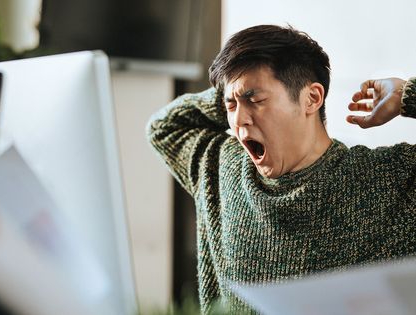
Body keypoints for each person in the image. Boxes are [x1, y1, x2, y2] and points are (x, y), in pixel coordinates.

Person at [146, 24, 416, 314]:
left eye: (256, 100)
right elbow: (164, 126)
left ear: (312, 98)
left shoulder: (387, 180)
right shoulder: (221, 165)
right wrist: (232, 89)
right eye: (231, 106)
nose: (240, 120)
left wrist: (405, 95)